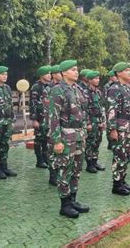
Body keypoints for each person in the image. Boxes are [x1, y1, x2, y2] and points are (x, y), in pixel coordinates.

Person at [49, 60, 89, 218]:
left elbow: (82, 113)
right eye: (73, 70)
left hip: (79, 135)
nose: (76, 72)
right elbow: (53, 117)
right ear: (64, 72)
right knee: (65, 169)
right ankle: (64, 204)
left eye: (77, 69)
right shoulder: (58, 90)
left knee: (77, 169)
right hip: (66, 136)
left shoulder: (77, 89)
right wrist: (57, 140)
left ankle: (73, 199)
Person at [107, 62, 130, 195]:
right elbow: (111, 110)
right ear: (119, 73)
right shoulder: (114, 89)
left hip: (128, 127)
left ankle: (122, 180)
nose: (129, 72)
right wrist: (112, 129)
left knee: (125, 155)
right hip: (120, 128)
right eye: (126, 70)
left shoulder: (127, 88)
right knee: (119, 155)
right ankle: (117, 184)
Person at [30, 65, 52, 169]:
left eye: (50, 73)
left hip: (47, 117)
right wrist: (34, 119)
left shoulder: (49, 86)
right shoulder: (36, 87)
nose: (49, 75)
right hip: (40, 118)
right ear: (42, 75)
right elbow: (33, 104)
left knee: (46, 139)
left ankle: (45, 157)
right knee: (39, 139)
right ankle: (39, 160)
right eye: (47, 73)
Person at [44, 64, 62, 186]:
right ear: (55, 74)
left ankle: (59, 172)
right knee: (51, 150)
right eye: (59, 73)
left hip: (62, 123)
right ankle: (53, 175)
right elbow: (48, 108)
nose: (61, 75)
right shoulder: (48, 89)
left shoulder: (63, 88)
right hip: (52, 123)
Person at [84, 71, 106, 173]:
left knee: (97, 141)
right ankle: (89, 164)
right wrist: (87, 123)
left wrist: (103, 121)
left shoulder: (98, 92)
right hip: (91, 121)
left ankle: (95, 161)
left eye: (98, 78)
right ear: (89, 80)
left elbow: (101, 108)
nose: (97, 80)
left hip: (98, 121)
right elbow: (84, 109)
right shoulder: (85, 92)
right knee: (90, 142)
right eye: (95, 79)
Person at [104, 70, 118, 151]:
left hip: (112, 108)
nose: (115, 78)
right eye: (113, 77)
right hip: (109, 108)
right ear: (110, 77)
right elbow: (107, 99)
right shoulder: (108, 86)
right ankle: (110, 142)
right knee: (110, 125)